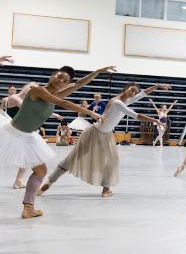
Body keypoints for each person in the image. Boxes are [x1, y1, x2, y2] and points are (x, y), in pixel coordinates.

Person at [0, 66, 113, 218]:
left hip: (27, 137)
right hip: (11, 133)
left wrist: (97, 72)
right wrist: (90, 112)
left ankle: (28, 208)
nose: (62, 81)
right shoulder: (37, 89)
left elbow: (77, 85)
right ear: (52, 76)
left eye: (65, 81)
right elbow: (64, 104)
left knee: (41, 170)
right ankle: (28, 207)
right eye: (59, 77)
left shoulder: (56, 93)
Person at [38, 83, 170, 197]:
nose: (133, 93)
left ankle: (106, 190)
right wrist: (155, 120)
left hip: (106, 136)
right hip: (93, 132)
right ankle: (49, 182)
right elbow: (134, 115)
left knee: (112, 161)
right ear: (126, 88)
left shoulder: (127, 100)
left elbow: (143, 94)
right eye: (131, 90)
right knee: (73, 158)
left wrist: (157, 86)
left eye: (135, 92)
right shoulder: (117, 101)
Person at [1, 82, 64, 189]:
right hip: (11, 130)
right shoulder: (14, 98)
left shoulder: (29, 100)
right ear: (25, 86)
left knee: (28, 157)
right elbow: (27, 108)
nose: (31, 90)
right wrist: (53, 114)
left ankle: (18, 182)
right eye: (30, 87)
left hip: (21, 131)